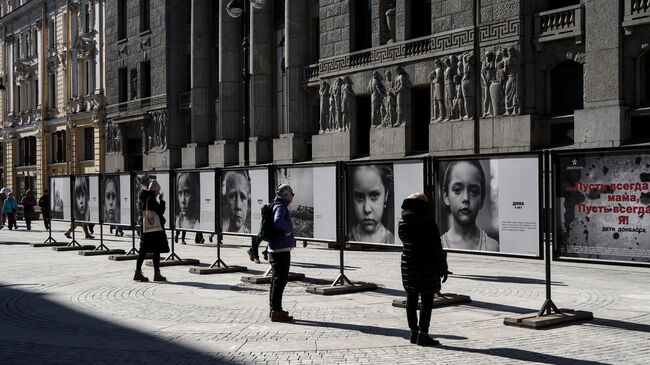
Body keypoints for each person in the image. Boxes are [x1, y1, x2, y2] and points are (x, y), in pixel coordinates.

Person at [399, 192, 449, 347]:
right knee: (427, 300)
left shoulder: (403, 221)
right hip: (427, 265)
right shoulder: (428, 221)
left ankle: (414, 333)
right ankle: (423, 334)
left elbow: (404, 240)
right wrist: (443, 267)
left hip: (408, 263)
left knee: (411, 299)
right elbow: (436, 247)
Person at [440, 160, 499, 251]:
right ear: (446, 196)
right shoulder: (437, 247)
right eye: (457, 190)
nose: (466, 198)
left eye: (474, 192)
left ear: (482, 199)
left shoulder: (491, 247)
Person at [267, 184, 296, 322]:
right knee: (280, 280)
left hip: (274, 247)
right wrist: (288, 229)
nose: (293, 195)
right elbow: (278, 220)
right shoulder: (281, 206)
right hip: (280, 248)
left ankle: (274, 309)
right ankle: (276, 311)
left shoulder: (274, 204)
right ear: (286, 194)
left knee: (276, 280)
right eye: (291, 193)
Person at [349, 165, 394, 244]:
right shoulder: (348, 237)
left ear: (386, 195)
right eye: (359, 197)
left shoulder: (392, 240)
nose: (367, 209)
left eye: (374, 195)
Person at [134, 180, 168, 282]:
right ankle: (155, 274)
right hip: (154, 231)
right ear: (155, 191)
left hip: (145, 229)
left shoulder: (143, 198)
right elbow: (160, 211)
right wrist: (161, 200)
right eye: (158, 191)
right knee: (155, 251)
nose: (158, 193)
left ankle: (138, 272)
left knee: (143, 251)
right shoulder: (151, 199)